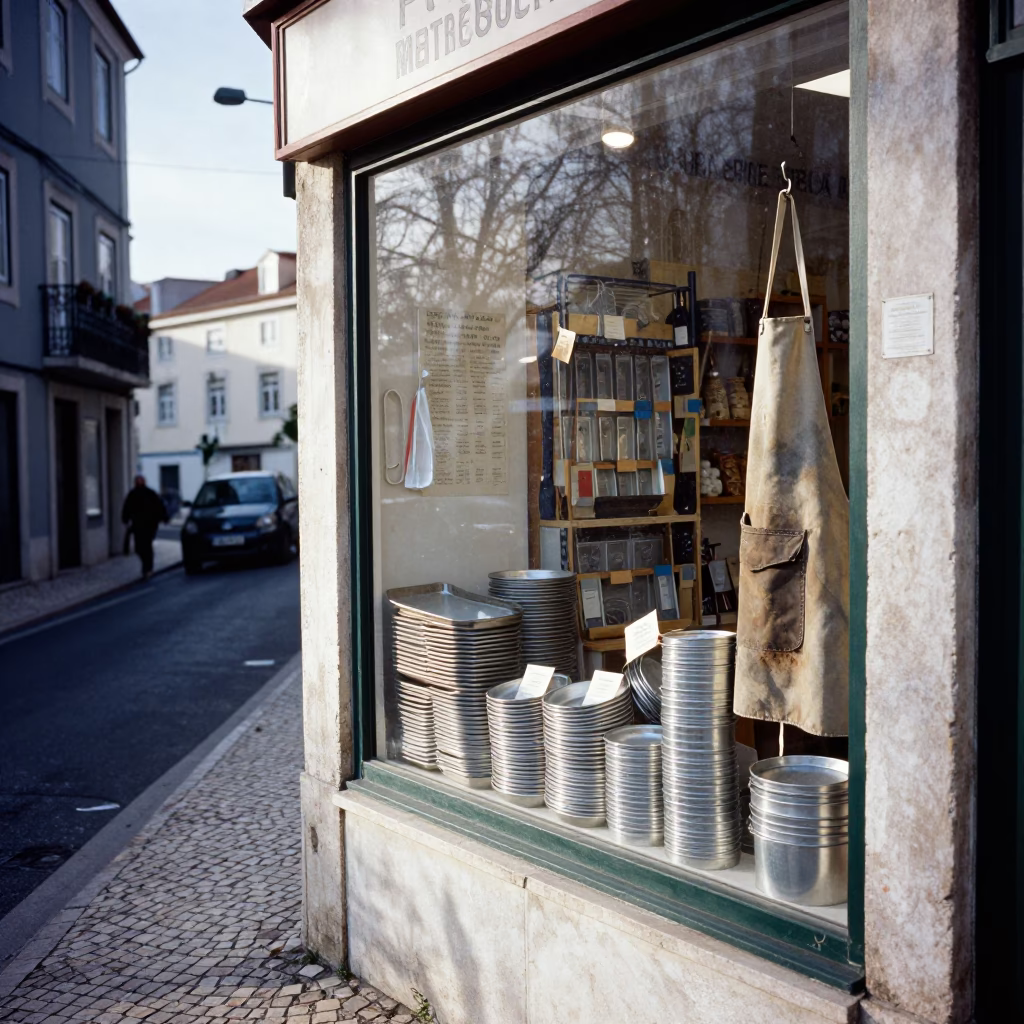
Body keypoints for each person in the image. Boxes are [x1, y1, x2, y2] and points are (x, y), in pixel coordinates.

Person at [121, 475, 168, 578]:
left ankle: (148, 568)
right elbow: (127, 507)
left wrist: (163, 517)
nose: (139, 483)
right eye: (137, 481)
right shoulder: (132, 494)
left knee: (147, 545)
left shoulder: (150, 494)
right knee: (139, 548)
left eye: (140, 481)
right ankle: (146, 566)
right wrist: (125, 519)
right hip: (138, 525)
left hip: (150, 524)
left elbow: (159, 506)